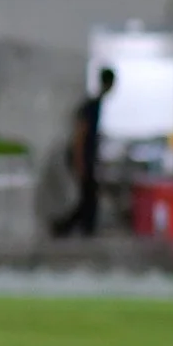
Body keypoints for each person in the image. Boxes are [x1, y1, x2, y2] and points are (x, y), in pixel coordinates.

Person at [50, 67, 116, 237]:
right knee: (88, 197)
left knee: (87, 197)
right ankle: (65, 228)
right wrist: (80, 161)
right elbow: (80, 134)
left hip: (86, 157)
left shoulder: (96, 104)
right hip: (81, 156)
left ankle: (68, 228)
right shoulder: (92, 105)